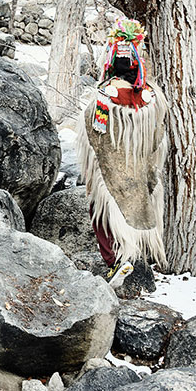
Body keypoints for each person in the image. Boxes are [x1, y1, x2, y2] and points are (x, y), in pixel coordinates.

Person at [77, 19, 168, 287]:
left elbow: (93, 133)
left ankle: (115, 260)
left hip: (112, 169)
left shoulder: (104, 96)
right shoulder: (152, 97)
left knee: (101, 208)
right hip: (140, 168)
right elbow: (159, 136)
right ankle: (134, 255)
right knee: (135, 207)